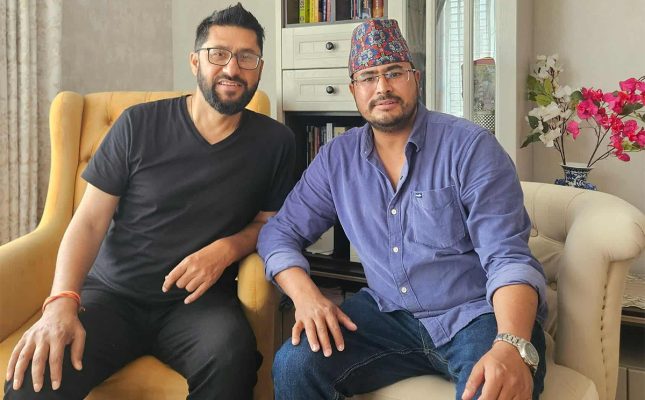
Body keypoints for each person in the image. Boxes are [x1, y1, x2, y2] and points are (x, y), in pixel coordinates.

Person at [4, 3, 295, 399]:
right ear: (195, 61)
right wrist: (61, 301)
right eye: (218, 54)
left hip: (198, 303)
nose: (232, 68)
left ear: (259, 68)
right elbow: (88, 222)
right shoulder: (136, 125)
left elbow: (270, 222)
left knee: (233, 360)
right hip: (112, 295)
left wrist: (226, 249)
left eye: (247, 57)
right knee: (34, 375)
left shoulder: (276, 142)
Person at [258, 19, 547, 400]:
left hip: (476, 315)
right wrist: (306, 296)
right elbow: (279, 232)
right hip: (387, 315)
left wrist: (511, 343)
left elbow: (507, 258)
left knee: (493, 387)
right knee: (295, 365)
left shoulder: (471, 148)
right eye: (368, 77)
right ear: (354, 90)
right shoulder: (336, 159)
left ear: (416, 79)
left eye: (394, 72)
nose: (382, 87)